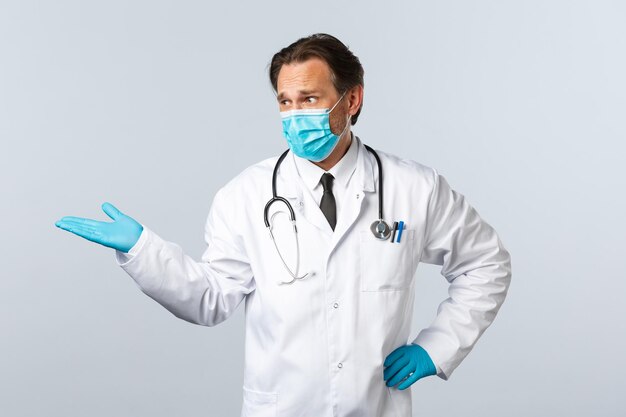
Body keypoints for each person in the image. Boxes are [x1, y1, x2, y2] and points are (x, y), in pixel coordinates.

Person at [55, 33, 512, 417]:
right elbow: (210, 300)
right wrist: (141, 251)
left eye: (310, 99)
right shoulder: (245, 194)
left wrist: (438, 346)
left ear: (351, 99)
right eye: (286, 102)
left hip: (376, 407)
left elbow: (487, 264)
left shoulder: (414, 188)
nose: (295, 116)